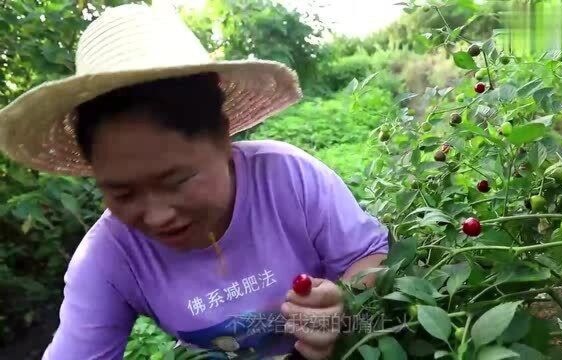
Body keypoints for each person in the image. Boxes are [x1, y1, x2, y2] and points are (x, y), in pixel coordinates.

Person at [0, 2, 389, 359]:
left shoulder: (288, 178)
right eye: (121, 192)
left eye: (177, 180)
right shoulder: (109, 257)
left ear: (222, 135)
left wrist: (347, 306)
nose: (156, 216)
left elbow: (368, 257)